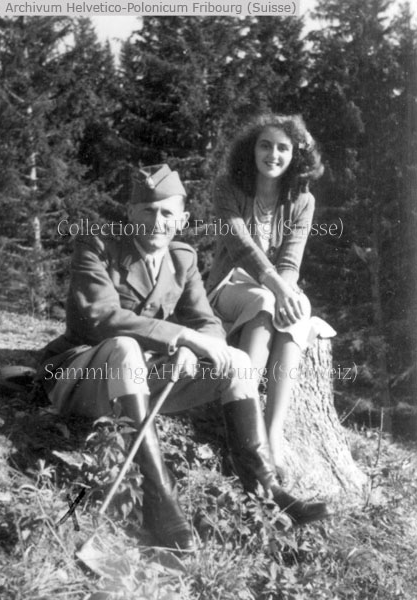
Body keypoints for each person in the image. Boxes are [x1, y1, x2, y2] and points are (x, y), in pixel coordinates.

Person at [37, 164, 328, 553]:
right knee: (124, 347)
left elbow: (206, 322)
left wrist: (193, 346)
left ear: (182, 219)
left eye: (167, 213)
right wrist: (181, 337)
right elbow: (100, 318)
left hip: (135, 384)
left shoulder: (181, 259)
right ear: (130, 212)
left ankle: (266, 490)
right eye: (148, 210)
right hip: (81, 377)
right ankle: (160, 499)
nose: (158, 221)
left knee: (238, 362)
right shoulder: (98, 245)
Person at [206, 114, 335, 483]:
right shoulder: (228, 187)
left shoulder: (302, 200)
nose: (273, 155)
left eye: (283, 148)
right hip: (229, 284)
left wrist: (286, 293)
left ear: (296, 155)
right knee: (264, 302)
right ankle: (245, 433)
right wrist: (277, 289)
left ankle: (272, 433)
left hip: (273, 286)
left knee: (300, 310)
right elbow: (240, 246)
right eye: (265, 145)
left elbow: (291, 260)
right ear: (252, 149)